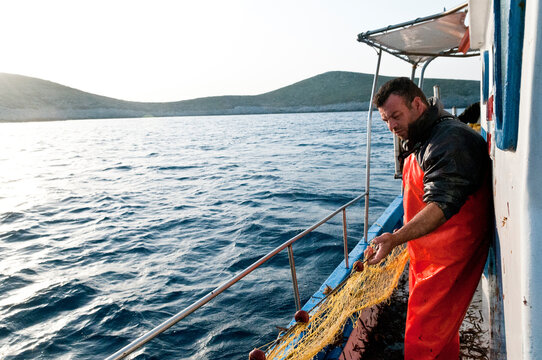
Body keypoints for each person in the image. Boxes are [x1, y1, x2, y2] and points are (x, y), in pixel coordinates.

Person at [367, 77, 491, 360]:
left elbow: (440, 205)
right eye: (386, 120)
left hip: (447, 255)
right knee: (436, 335)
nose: (392, 126)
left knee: (422, 339)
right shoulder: (423, 137)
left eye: (396, 116)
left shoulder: (448, 140)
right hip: (425, 251)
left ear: (418, 104)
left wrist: (395, 238)